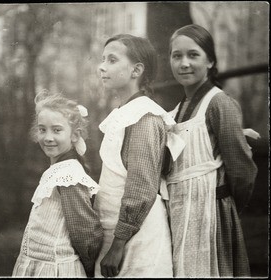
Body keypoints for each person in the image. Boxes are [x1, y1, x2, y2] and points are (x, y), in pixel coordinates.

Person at [165, 24, 258, 277]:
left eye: (193, 55)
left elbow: (242, 170)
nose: (184, 63)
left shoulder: (219, 103)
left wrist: (224, 204)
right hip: (181, 212)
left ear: (210, 60)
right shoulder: (176, 110)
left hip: (212, 213)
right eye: (177, 56)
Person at [93, 34, 184, 278]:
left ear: (136, 70)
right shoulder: (125, 113)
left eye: (112, 60)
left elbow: (141, 187)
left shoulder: (143, 116)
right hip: (117, 231)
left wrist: (118, 245)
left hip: (137, 235)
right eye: (102, 59)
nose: (101, 66)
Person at [12, 90, 103, 277]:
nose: (48, 137)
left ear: (75, 135)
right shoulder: (57, 170)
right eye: (42, 129)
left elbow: (85, 232)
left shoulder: (68, 175)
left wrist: (87, 267)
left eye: (57, 130)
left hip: (56, 268)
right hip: (38, 263)